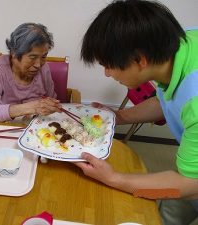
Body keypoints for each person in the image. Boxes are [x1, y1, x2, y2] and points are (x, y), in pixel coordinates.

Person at [75, 1, 198, 224]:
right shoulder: (183, 43)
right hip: (190, 169)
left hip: (193, 182)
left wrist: (114, 178)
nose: (107, 73)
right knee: (163, 211)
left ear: (140, 60)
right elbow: (168, 101)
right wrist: (116, 117)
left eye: (109, 65)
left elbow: (191, 185)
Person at [0, 23, 61, 122]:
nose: (39, 65)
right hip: (8, 125)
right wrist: (31, 107)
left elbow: (51, 99)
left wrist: (51, 106)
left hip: (38, 126)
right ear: (14, 54)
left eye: (43, 56)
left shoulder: (44, 68)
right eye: (33, 57)